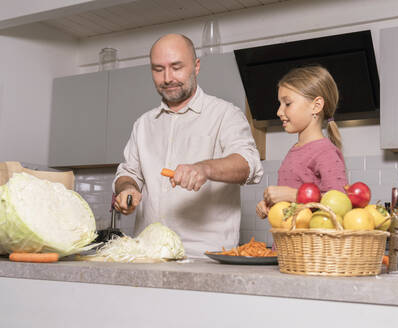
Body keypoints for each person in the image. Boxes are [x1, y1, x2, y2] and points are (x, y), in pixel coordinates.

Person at [112, 34, 263, 257]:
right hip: (146, 254)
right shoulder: (143, 125)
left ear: (196, 66)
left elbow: (248, 164)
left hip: (204, 257)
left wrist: (204, 169)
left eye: (176, 67)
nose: (167, 77)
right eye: (158, 69)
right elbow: (128, 173)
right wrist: (127, 189)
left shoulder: (224, 114)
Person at [256, 65, 347, 219]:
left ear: (316, 106)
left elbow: (340, 205)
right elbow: (294, 206)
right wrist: (270, 205)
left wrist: (293, 195)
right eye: (280, 104)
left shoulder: (326, 152)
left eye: (287, 103)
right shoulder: (295, 149)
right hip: (288, 243)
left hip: (311, 244)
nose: (279, 112)